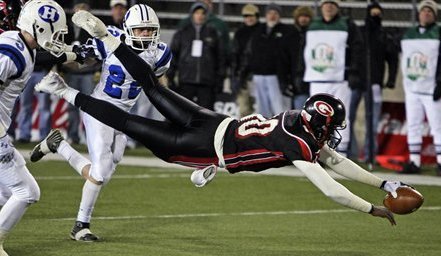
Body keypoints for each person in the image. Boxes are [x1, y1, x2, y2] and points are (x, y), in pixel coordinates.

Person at [34, 10, 407, 229]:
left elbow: (337, 162)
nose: (332, 137)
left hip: (212, 122)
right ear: (323, 126)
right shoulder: (299, 144)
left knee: (151, 87)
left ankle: (105, 48)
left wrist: (384, 182)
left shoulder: (296, 121)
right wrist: (372, 207)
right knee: (129, 123)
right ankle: (64, 90)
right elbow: (331, 185)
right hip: (203, 147)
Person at [31, 4, 172, 242]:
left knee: (105, 170)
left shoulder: (161, 52)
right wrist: (64, 52)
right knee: (101, 169)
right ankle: (80, 226)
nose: (146, 34)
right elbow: (83, 59)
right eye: (141, 30)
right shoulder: (112, 38)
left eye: (149, 30)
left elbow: (156, 83)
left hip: (124, 115)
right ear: (128, 29)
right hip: (99, 108)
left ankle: (58, 146)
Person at [0, 0, 68, 256]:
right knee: (28, 192)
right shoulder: (12, 53)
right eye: (55, 31)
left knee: (7, 194)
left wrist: (73, 54)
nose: (57, 37)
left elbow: (49, 54)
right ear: (40, 27)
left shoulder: (19, 44)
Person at [303, 0, 363, 156]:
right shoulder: (312, 25)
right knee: (314, 118)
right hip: (316, 79)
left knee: (342, 117)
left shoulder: (348, 25)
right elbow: (303, 50)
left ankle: (341, 154)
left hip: (340, 80)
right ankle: (317, 152)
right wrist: (300, 73)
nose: (329, 7)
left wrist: (354, 71)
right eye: (326, 3)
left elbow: (358, 48)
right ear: (321, 6)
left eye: (332, 4)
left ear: (338, 7)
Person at [348, 1, 398, 162]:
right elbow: (350, 54)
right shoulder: (360, 32)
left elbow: (392, 59)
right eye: (372, 13)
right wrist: (350, 74)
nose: (375, 16)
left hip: (374, 82)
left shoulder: (384, 35)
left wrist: (391, 79)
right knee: (347, 118)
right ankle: (350, 151)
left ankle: (370, 155)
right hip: (356, 81)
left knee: (373, 120)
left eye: (378, 13)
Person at [400, 0, 441, 176]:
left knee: (437, 126)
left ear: (435, 15)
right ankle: (414, 161)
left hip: (432, 88)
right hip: (412, 87)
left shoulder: (438, 32)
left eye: (429, 11)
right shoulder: (409, 33)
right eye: (423, 11)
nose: (426, 14)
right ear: (418, 14)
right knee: (414, 125)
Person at [167, 2, 225, 110]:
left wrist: (220, 79)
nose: (200, 15)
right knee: (183, 113)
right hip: (186, 81)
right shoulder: (182, 33)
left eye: (203, 13)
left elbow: (220, 58)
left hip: (207, 82)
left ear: (206, 15)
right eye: (197, 13)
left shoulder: (213, 33)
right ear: (192, 14)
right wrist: (170, 77)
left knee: (207, 115)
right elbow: (173, 56)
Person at [245, 3, 297, 117]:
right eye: (270, 13)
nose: (272, 16)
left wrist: (289, 77)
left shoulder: (287, 31)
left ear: (279, 15)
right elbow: (250, 52)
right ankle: (265, 134)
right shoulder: (258, 30)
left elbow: (292, 55)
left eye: (275, 13)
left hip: (277, 76)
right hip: (258, 76)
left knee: (280, 110)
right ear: (266, 15)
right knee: (261, 111)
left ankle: (283, 133)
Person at [61, 0, 100, 145]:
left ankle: (88, 136)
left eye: (84, 8)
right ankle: (73, 136)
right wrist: (60, 69)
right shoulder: (66, 28)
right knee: (71, 107)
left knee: (89, 108)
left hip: (88, 73)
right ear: (74, 9)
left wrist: (98, 69)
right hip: (71, 72)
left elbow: (99, 52)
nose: (81, 10)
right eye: (78, 7)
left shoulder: (94, 29)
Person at [231, 3, 259, 117]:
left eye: (251, 15)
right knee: (244, 111)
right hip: (243, 76)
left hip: (259, 75)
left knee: (261, 110)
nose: (249, 18)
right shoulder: (239, 33)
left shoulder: (263, 31)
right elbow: (234, 55)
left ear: (257, 16)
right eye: (246, 16)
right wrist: (235, 76)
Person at [292, 5, 314, 110]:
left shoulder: (315, 35)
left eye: (306, 16)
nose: (303, 19)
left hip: (313, 79)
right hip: (297, 81)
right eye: (301, 16)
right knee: (299, 116)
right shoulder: (291, 35)